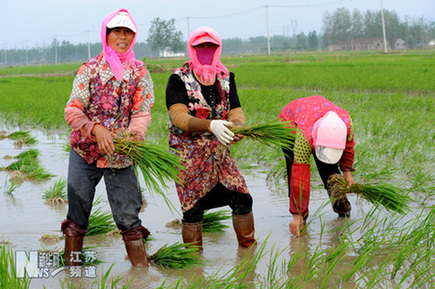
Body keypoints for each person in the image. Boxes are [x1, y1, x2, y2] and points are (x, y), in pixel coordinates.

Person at [61, 8, 154, 267]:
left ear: (133, 36)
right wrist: (94, 128)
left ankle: (141, 275)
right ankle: (73, 271)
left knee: (129, 216)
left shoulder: (139, 72)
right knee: (77, 215)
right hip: (85, 152)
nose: (122, 37)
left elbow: (142, 112)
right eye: (117, 31)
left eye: (127, 32)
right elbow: (73, 110)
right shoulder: (89, 69)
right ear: (107, 34)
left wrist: (135, 136)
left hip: (121, 154)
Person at [165, 26, 256, 251]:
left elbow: (235, 110)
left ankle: (247, 256)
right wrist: (210, 125)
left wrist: (236, 127)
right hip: (189, 155)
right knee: (193, 209)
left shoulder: (225, 77)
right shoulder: (179, 78)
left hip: (219, 153)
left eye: (210, 46)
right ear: (192, 49)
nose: (205, 50)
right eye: (200, 46)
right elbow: (178, 117)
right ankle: (194, 267)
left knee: (242, 198)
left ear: (217, 49)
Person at [279, 95, 356, 238]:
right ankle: (301, 218)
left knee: (329, 169)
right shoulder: (303, 138)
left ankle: (341, 206)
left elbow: (348, 149)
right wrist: (297, 215)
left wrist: (347, 174)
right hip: (292, 122)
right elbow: (299, 177)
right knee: (293, 167)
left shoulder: (345, 125)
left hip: (319, 120)